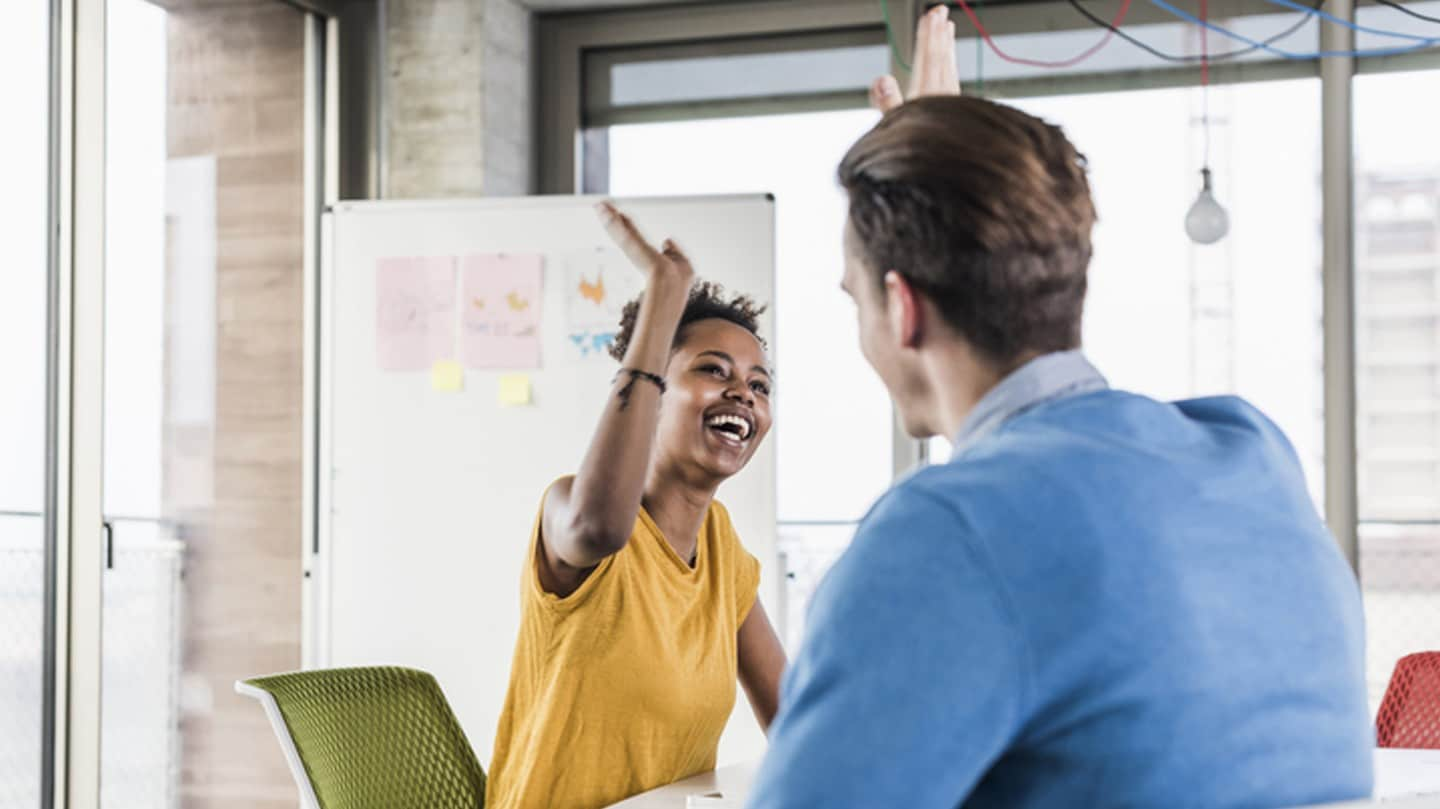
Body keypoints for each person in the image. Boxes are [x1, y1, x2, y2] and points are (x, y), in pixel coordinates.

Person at [746, 6, 1373, 808]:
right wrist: (946, 177)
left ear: (902, 309)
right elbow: (1053, 477)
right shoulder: (1250, 454)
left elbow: (999, 518)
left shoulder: (941, 536)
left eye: (854, 298)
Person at [486, 202, 787, 809]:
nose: (743, 394)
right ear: (652, 390)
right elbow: (599, 527)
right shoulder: (570, 509)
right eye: (713, 370)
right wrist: (662, 305)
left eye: (759, 384)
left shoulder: (722, 549)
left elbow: (793, 718)